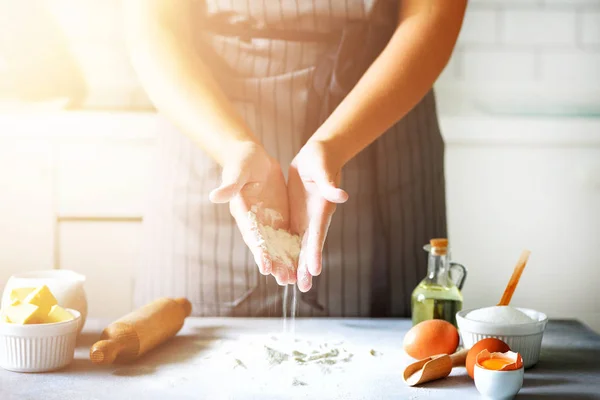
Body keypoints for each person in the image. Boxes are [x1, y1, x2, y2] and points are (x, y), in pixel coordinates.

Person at [124, 0, 467, 318]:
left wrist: (335, 142)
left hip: (382, 122)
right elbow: (152, 25)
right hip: (209, 130)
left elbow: (433, 16)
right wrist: (231, 147)